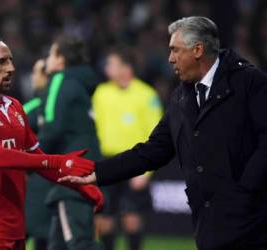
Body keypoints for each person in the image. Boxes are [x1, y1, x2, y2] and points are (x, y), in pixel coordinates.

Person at [61, 16, 267, 250]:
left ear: (197, 50)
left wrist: (245, 193)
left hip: (253, 226)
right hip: (209, 226)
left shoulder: (250, 83)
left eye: (175, 50)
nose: (170, 59)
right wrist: (98, 172)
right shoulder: (181, 97)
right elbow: (153, 150)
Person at [0, 35, 103, 250]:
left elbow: (37, 157)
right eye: (0, 62)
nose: (10, 67)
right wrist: (58, 162)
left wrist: (79, 185)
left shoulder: (14, 107)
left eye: (10, 60)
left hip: (17, 225)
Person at [92, 45, 163, 250]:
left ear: (126, 67)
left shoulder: (146, 94)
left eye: (111, 64)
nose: (107, 69)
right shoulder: (101, 93)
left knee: (132, 218)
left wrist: (146, 171)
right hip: (106, 162)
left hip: (135, 163)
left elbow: (158, 135)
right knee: (104, 219)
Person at [38, 35, 103, 250]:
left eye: (50, 54)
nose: (47, 59)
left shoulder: (60, 80)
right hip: (81, 167)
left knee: (80, 244)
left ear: (60, 60)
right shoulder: (80, 84)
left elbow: (52, 125)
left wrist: (31, 159)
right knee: (58, 245)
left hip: (72, 170)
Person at [23, 59, 51, 250]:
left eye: (36, 73)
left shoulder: (31, 107)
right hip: (55, 179)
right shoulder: (71, 105)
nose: (33, 77)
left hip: (35, 183)